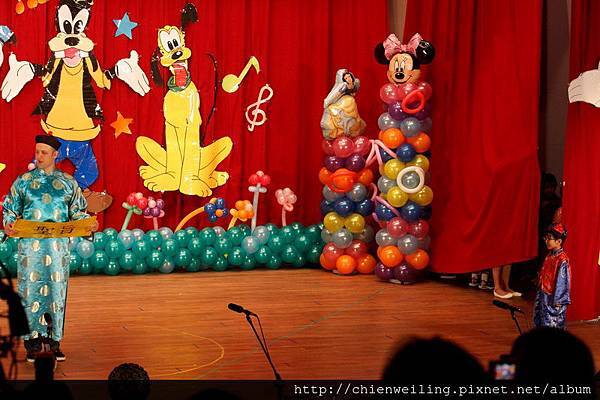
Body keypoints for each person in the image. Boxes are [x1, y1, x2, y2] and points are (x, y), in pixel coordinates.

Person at [2, 134, 97, 362]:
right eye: (37, 152)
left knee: (56, 292)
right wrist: (8, 223)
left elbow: (78, 212)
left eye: (44, 153)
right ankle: (33, 343)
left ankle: (53, 341)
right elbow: (10, 209)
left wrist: (88, 224)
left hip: (57, 249)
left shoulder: (68, 182)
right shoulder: (23, 181)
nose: (39, 156)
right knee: (30, 292)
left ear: (55, 155)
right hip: (30, 250)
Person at [533, 223, 570, 329]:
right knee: (540, 317)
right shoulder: (550, 256)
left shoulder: (562, 260)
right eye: (546, 238)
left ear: (559, 241)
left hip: (553, 297)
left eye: (549, 238)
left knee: (552, 321)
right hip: (544, 293)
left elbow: (563, 281)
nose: (546, 241)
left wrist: (559, 300)